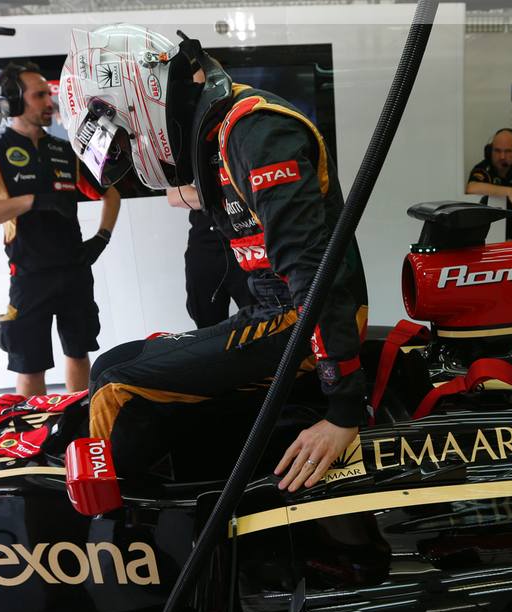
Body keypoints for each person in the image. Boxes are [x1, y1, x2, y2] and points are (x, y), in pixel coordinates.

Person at [59, 26, 367, 492]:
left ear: (139, 100)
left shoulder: (257, 132)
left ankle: (122, 521)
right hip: (276, 312)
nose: (129, 151)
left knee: (116, 386)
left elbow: (312, 274)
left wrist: (344, 411)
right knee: (107, 366)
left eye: (125, 139)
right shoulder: (219, 134)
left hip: (304, 319)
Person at [0, 61, 121, 397]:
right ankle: (35, 429)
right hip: (29, 276)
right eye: (39, 95)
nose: (49, 102)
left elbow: (111, 194)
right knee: (30, 365)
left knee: (79, 351)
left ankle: (78, 419)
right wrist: (32, 201)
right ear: (14, 102)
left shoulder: (66, 151)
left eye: (49, 94)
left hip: (75, 270)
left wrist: (101, 238)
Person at [166, 184, 255, 328]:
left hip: (248, 241)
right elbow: (175, 196)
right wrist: (234, 195)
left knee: (264, 320)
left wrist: (206, 196)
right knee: (207, 326)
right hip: (205, 246)